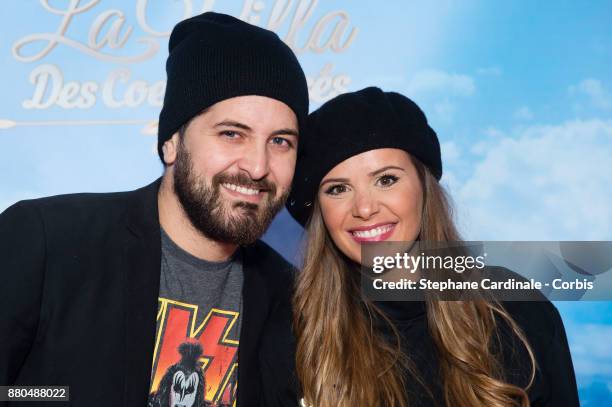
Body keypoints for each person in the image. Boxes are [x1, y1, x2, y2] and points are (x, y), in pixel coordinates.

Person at [0, 12, 308, 407]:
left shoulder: (293, 289)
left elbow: (398, 296)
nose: (258, 165)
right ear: (171, 143)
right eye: (232, 134)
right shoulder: (44, 240)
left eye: (281, 141)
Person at [286, 87, 579, 406]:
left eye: (386, 180)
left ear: (424, 187)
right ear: (319, 212)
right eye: (338, 189)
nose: (365, 208)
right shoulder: (297, 332)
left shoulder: (516, 311)